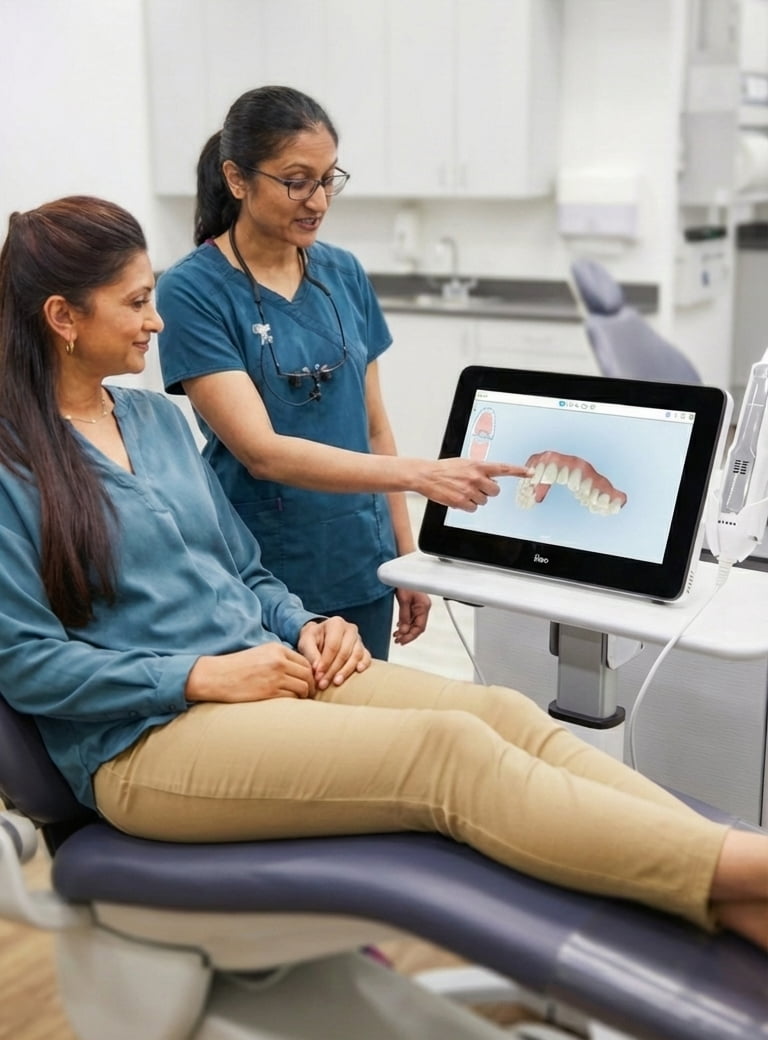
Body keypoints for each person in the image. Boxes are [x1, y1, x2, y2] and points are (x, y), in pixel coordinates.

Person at [0, 196, 767, 953]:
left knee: (498, 713)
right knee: (449, 756)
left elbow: (243, 569)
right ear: (64, 318)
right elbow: (27, 663)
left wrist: (305, 624)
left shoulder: (157, 423)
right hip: (147, 741)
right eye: (136, 302)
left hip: (274, 669)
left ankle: (727, 883)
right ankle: (745, 869)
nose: (156, 321)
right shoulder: (13, 467)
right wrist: (196, 677)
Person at [156, 85, 528, 660]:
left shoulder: (343, 273)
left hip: (361, 560)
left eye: (328, 179)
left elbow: (374, 424)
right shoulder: (192, 291)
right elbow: (262, 452)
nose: (318, 201)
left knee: (365, 733)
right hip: (265, 574)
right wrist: (421, 475)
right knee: (293, 743)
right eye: (296, 180)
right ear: (237, 179)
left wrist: (408, 557)